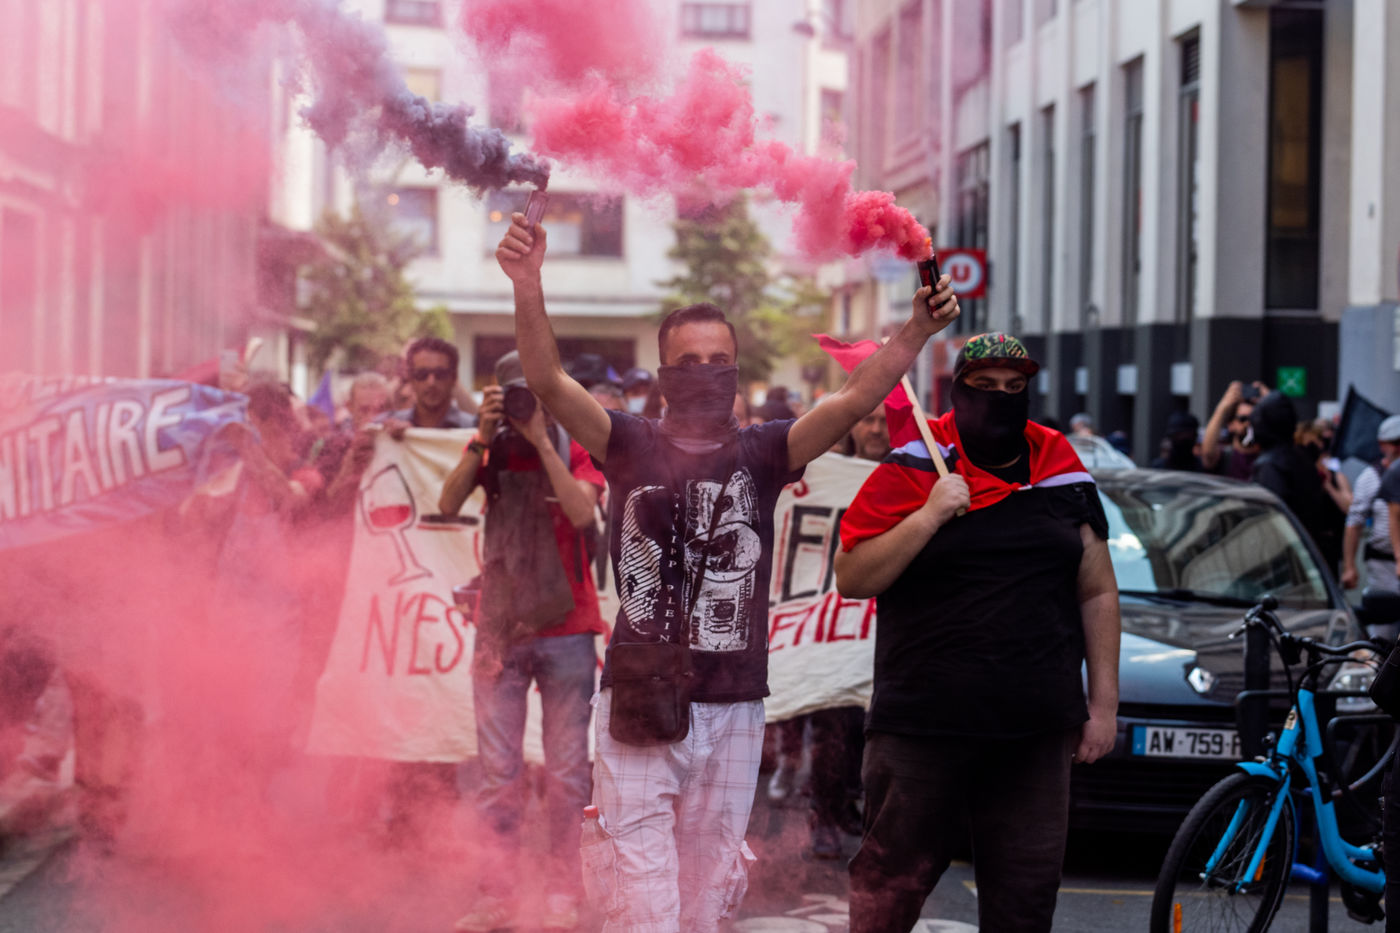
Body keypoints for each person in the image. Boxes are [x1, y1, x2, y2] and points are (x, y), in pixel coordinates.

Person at [494, 210, 961, 933]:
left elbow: (850, 402)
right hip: (640, 700)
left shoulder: (766, 450)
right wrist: (527, 282)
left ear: (737, 370)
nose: (706, 373)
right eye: (689, 362)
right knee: (642, 905)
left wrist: (915, 332)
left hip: (735, 704)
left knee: (707, 900)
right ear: (663, 374)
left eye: (720, 361)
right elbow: (549, 381)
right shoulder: (627, 442)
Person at [834, 333, 1120, 933]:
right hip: (922, 726)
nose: (1000, 398)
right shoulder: (918, 463)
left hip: (1036, 728)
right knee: (888, 894)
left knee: (1025, 903)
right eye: (984, 386)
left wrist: (1104, 706)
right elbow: (854, 576)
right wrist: (930, 514)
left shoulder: (1059, 466)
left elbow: (1097, 590)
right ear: (958, 391)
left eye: (1014, 387)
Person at [440, 352, 607, 932]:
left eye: (531, 391)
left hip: (568, 630)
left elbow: (582, 512)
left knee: (567, 774)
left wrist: (540, 439)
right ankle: (496, 896)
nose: (522, 403)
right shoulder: (489, 443)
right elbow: (447, 504)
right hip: (502, 629)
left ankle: (563, 892)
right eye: (512, 393)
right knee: (497, 776)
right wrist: (482, 438)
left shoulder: (575, 441)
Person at [1249, 392, 1338, 572]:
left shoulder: (1271, 465)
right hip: (1303, 557)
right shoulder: (1302, 460)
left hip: (1281, 562)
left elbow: (1271, 521)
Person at [1342, 416, 1400, 593]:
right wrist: (1349, 566)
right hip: (1384, 563)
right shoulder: (1371, 477)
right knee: (1387, 606)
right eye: (1395, 443)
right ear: (1382, 445)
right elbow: (1354, 522)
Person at [384, 337, 476, 436]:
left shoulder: (475, 430)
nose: (431, 382)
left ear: (454, 378)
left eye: (440, 374)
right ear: (411, 378)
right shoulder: (387, 424)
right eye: (422, 374)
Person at [1202, 380, 1266, 479]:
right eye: (1243, 419)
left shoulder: (1268, 457)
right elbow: (1208, 454)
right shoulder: (1225, 457)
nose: (1248, 423)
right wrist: (1223, 407)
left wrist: (1271, 401)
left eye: (1254, 418)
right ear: (1231, 425)